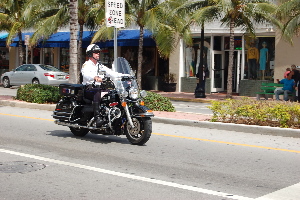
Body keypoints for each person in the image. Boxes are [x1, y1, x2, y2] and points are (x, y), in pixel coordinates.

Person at [81, 44, 124, 127]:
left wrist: (124, 75)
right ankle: (97, 118)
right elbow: (85, 74)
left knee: (113, 93)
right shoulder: (86, 65)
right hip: (88, 89)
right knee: (97, 92)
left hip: (99, 88)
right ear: (90, 53)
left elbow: (111, 73)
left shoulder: (100, 65)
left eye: (98, 52)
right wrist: (95, 77)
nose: (98, 54)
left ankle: (114, 116)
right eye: (96, 52)